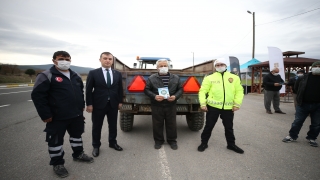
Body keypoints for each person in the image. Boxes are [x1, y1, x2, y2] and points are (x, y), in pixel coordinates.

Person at [31, 51, 93, 178]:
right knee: (55, 141)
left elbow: (80, 92)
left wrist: (81, 106)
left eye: (67, 59)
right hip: (56, 117)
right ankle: (57, 163)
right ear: (54, 60)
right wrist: (45, 114)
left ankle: (78, 154)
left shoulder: (75, 75)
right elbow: (37, 96)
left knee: (77, 136)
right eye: (61, 59)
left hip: (75, 115)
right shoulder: (46, 75)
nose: (64, 61)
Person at [197, 58, 244, 154]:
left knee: (229, 127)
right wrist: (203, 104)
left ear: (226, 65)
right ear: (215, 67)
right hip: (213, 107)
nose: (219, 66)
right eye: (217, 65)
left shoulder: (234, 77)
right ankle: (204, 143)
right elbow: (202, 91)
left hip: (228, 108)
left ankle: (231, 144)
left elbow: (239, 91)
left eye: (221, 64)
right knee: (209, 126)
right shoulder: (210, 77)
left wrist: (237, 104)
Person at [86, 52, 123, 157]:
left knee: (113, 126)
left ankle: (113, 143)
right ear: (100, 60)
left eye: (110, 59)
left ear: (112, 61)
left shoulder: (117, 74)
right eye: (105, 58)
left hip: (113, 104)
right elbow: (88, 90)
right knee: (97, 126)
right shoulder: (93, 73)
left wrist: (120, 101)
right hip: (98, 105)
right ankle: (96, 146)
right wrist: (89, 104)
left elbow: (120, 89)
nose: (107, 60)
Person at [144, 59, 183, 150]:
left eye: (165, 65)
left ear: (168, 67)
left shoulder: (176, 78)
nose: (163, 67)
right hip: (157, 104)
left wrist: (175, 96)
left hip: (171, 104)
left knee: (171, 123)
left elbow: (180, 89)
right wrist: (154, 96)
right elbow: (146, 89)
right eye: (161, 66)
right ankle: (158, 141)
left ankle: (172, 141)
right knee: (157, 123)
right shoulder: (151, 78)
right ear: (157, 68)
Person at [282, 61, 320, 147]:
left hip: (318, 105)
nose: (318, 68)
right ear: (312, 67)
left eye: (319, 66)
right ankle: (292, 136)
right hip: (303, 103)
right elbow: (296, 88)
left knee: (316, 123)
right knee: (298, 121)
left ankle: (312, 138)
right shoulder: (303, 78)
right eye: (316, 66)